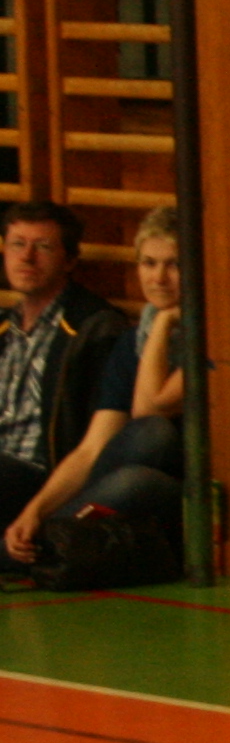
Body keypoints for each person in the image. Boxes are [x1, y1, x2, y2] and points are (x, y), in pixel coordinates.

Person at [9, 202, 186, 580]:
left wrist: (164, 323)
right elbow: (93, 448)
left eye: (174, 265)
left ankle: (40, 548)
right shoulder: (132, 342)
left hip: (184, 491)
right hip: (119, 484)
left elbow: (150, 407)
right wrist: (34, 511)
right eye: (149, 263)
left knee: (151, 440)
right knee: (131, 472)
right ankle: (46, 539)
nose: (159, 278)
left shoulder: (213, 335)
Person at [0, 202, 135, 559]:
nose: (26, 257)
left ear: (70, 260)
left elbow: (95, 443)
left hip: (43, 476)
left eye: (42, 247)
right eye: (17, 244)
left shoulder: (94, 327)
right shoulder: (4, 327)